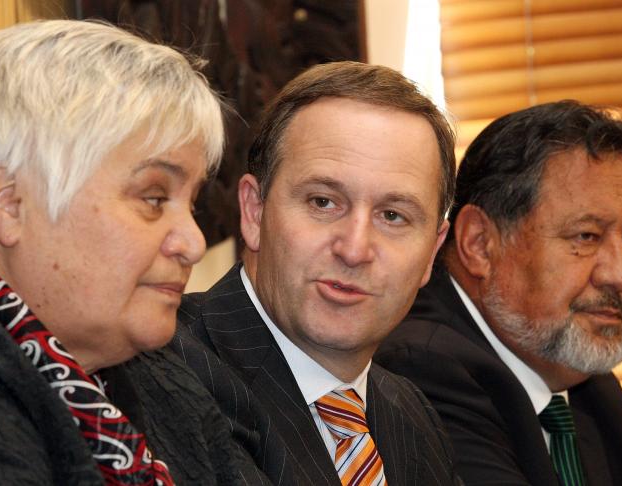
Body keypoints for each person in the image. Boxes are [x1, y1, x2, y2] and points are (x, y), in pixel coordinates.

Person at [0, 19, 268, 485]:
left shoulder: (168, 385)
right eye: (154, 198)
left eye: (193, 203)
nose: (194, 243)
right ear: (7, 204)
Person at [173, 61, 461, 485]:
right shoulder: (169, 372)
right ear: (254, 212)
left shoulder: (414, 415)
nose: (354, 249)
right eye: (323, 202)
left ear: (432, 252)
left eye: (394, 216)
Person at [375, 100, 622, 485]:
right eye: (586, 237)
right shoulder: (420, 372)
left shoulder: (589, 386)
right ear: (480, 244)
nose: (621, 275)